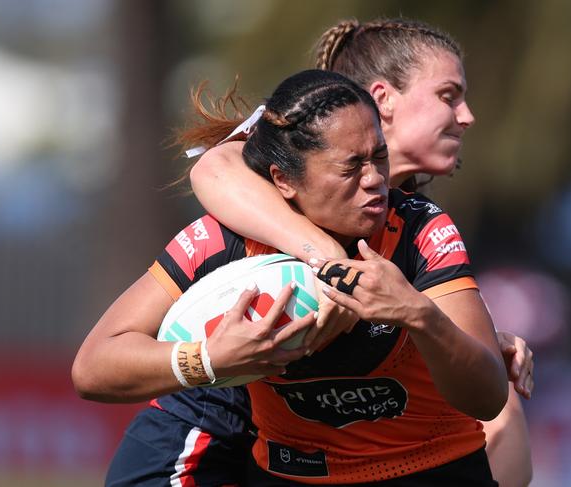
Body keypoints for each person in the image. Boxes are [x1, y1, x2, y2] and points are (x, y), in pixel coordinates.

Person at [74, 68, 509, 485]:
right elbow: (93, 368)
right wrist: (209, 359)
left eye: (380, 157)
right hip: (292, 476)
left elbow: (488, 399)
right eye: (350, 166)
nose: (375, 179)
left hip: (434, 472)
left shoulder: (420, 230)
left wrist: (420, 315)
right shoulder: (227, 241)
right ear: (284, 181)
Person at [190, 18, 533, 486]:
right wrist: (326, 260)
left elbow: (495, 415)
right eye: (448, 96)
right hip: (208, 418)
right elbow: (215, 164)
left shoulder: (414, 218)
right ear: (383, 98)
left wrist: (465, 332)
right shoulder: (297, 147)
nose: (467, 115)